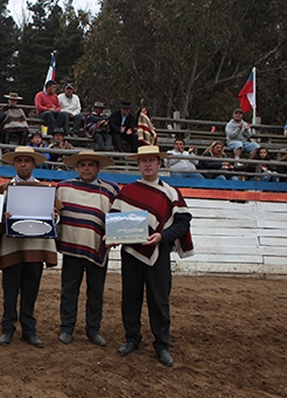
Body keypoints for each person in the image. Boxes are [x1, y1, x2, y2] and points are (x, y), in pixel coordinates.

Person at [111, 145, 194, 368]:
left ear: (159, 164)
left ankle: (162, 344)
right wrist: (115, 236)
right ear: (138, 164)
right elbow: (115, 219)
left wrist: (162, 236)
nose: (147, 164)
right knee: (130, 297)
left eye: (152, 160)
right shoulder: (127, 191)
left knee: (159, 299)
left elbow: (183, 222)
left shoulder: (171, 193)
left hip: (159, 252)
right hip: (131, 252)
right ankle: (132, 338)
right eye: (143, 160)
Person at [56, 150, 119, 347]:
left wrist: (116, 234)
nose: (86, 168)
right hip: (72, 246)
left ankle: (93, 329)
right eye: (82, 165)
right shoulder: (63, 188)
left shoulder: (111, 190)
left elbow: (118, 216)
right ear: (77, 167)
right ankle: (67, 327)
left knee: (96, 291)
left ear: (98, 168)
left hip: (97, 246)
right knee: (69, 289)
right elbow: (53, 214)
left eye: (90, 165)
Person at [0, 146, 56, 349]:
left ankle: (29, 329)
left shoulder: (46, 190)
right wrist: (1, 218)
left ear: (34, 164)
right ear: (14, 164)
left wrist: (55, 217)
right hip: (12, 246)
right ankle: (8, 328)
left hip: (36, 247)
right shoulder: (4, 189)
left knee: (31, 291)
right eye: (19, 160)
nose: (23, 164)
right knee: (10, 291)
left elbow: (56, 217)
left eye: (27, 160)